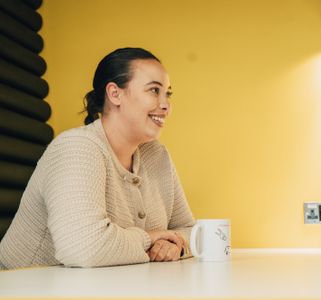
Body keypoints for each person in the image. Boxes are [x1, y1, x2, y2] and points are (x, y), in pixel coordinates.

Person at [0, 47, 195, 269]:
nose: (166, 105)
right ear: (115, 94)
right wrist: (150, 238)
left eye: (167, 93)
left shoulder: (157, 156)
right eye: (153, 90)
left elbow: (190, 231)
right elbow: (82, 248)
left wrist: (175, 246)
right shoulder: (76, 148)